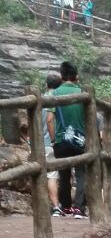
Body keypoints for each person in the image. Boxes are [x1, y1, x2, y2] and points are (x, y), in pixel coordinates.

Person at [49, 61, 87, 217]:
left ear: (62, 75)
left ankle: (65, 207)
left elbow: (50, 119)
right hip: (79, 140)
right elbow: (89, 119)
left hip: (61, 140)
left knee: (64, 175)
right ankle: (79, 208)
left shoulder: (55, 94)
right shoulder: (83, 93)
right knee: (80, 174)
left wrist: (53, 140)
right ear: (76, 76)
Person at [41, 73, 63, 217]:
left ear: (46, 84)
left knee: (42, 174)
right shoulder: (58, 99)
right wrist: (54, 139)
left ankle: (46, 206)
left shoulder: (39, 99)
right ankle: (56, 206)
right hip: (51, 143)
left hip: (39, 142)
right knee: (52, 176)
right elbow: (50, 121)